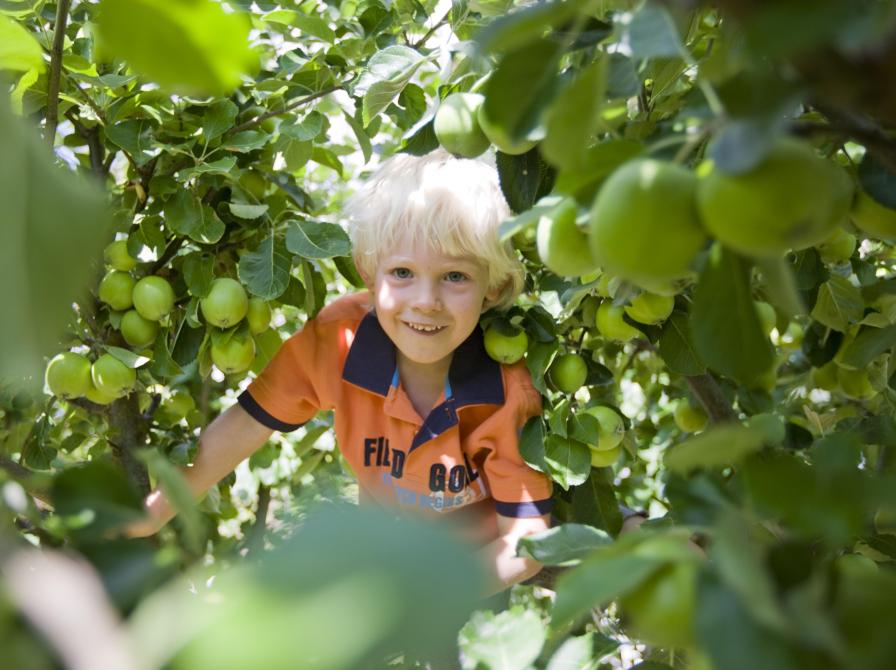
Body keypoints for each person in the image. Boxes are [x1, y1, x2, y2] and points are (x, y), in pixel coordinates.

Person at [127, 149, 553, 597]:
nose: (426, 300)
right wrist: (153, 511)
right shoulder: (339, 342)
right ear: (369, 274)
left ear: (496, 286)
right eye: (403, 272)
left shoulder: (506, 388)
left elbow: (525, 544)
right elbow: (244, 424)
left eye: (455, 277)